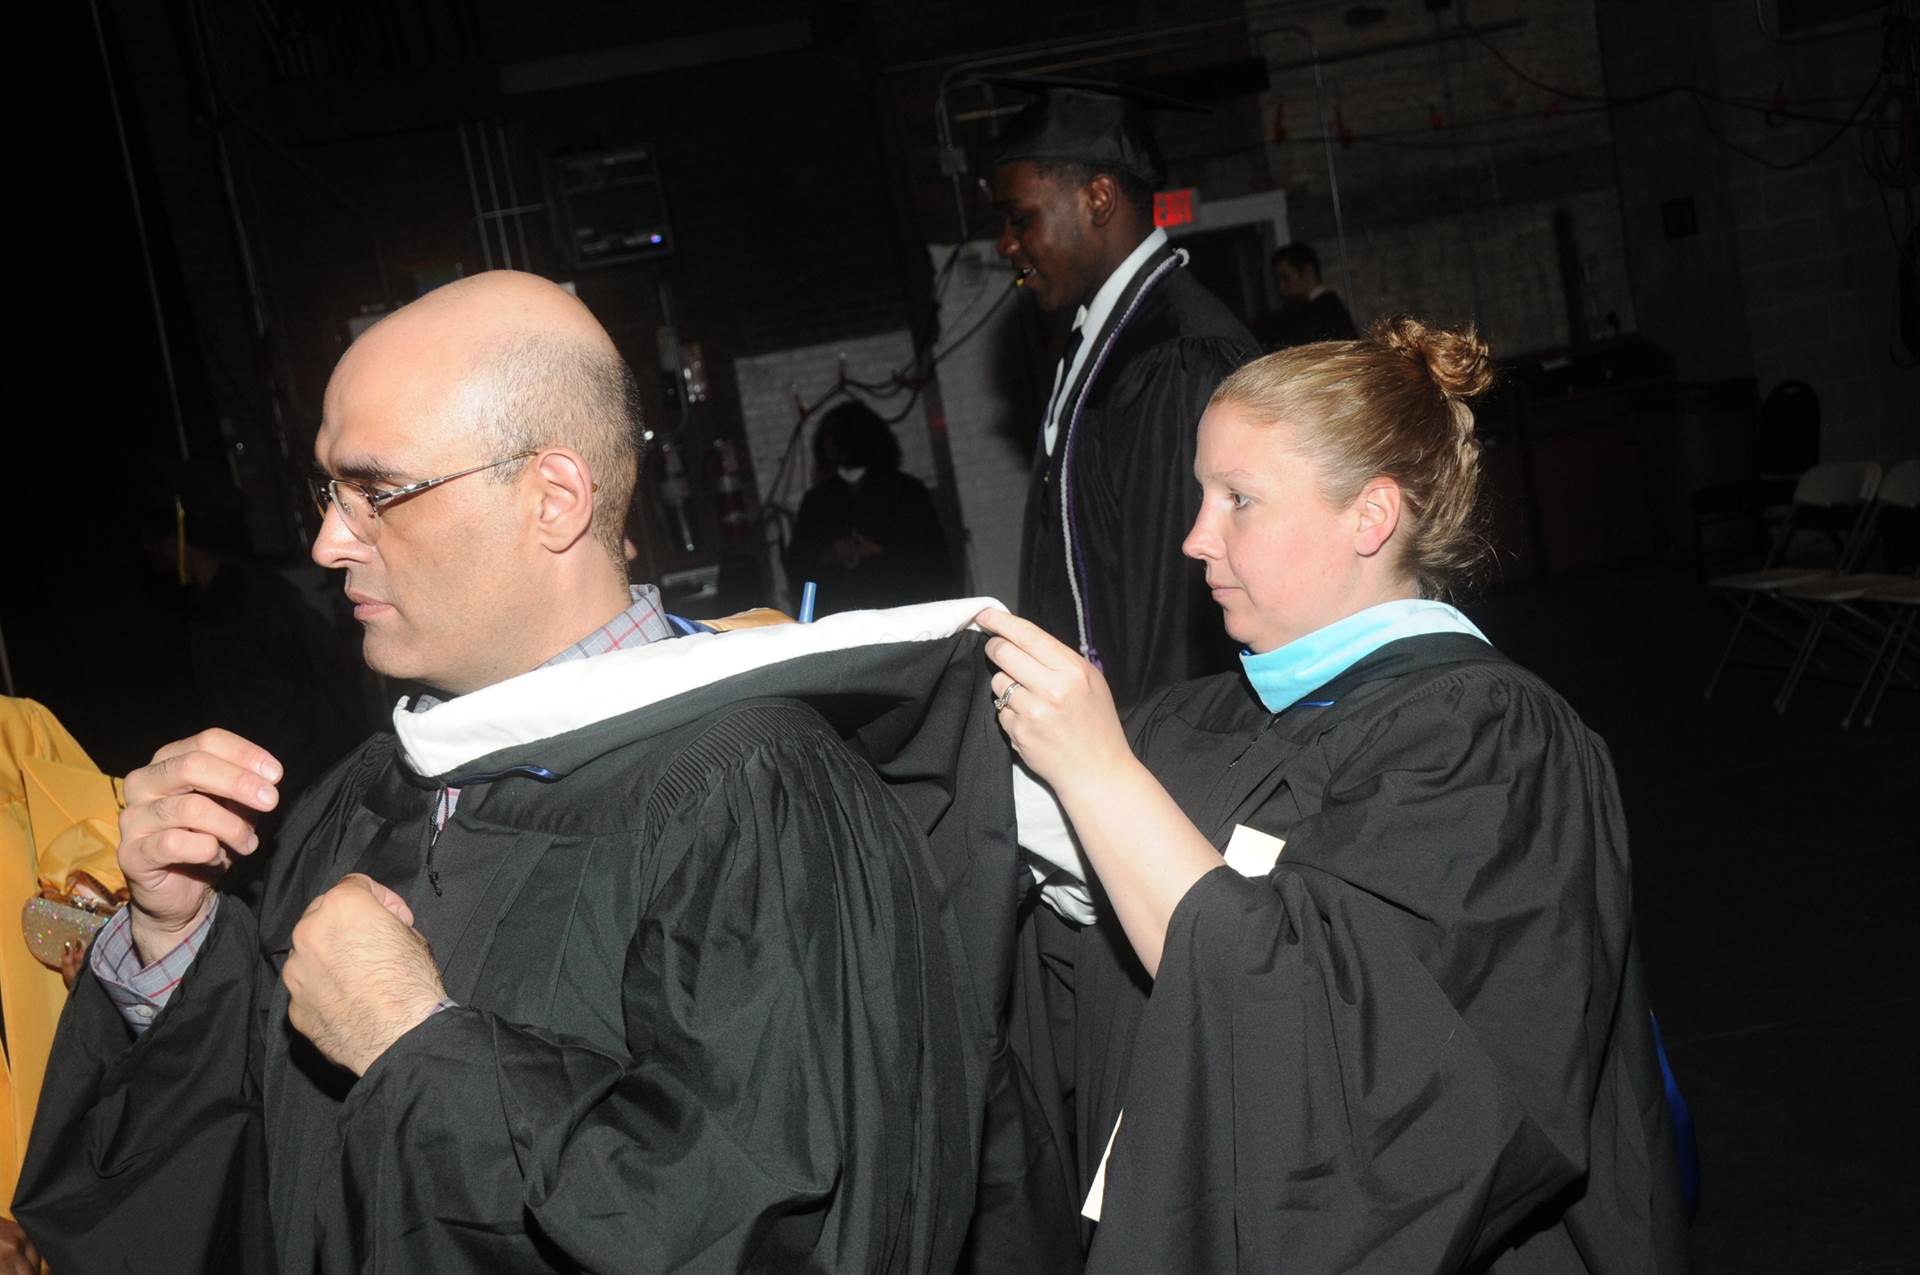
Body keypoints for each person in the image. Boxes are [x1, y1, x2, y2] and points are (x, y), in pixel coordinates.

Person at [15, 271, 984, 1272]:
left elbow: (791, 1232)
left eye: (376, 492)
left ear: (552, 498)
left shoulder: (756, 798)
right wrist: (176, 944)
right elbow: (271, 1170)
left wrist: (418, 1045)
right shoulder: (362, 793)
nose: (327, 542)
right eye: (327, 493)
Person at [978, 317, 1689, 1271]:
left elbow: (1345, 1066)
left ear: (1371, 516)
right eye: (1202, 495)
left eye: (1239, 500)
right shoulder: (1192, 722)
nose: (1194, 538)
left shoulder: (1489, 744)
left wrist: (1100, 777)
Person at [989, 76, 1259, 712]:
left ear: (1099, 199)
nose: (1006, 245)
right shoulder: (1109, 336)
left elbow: (1171, 598)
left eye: (1020, 219)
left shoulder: (1175, 353)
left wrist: (1144, 755)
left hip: (1163, 735)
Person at [784, 400, 957, 614]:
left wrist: (881, 551)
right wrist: (830, 554)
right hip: (841, 616)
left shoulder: (905, 490)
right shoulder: (817, 500)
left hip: (901, 609)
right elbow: (798, 567)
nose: (829, 446)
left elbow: (935, 561)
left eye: (835, 436)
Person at [1251, 240, 1359, 351]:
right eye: (1278, 281)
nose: (1281, 287)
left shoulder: (1325, 310)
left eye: (1286, 278)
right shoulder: (1316, 308)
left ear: (1308, 272)